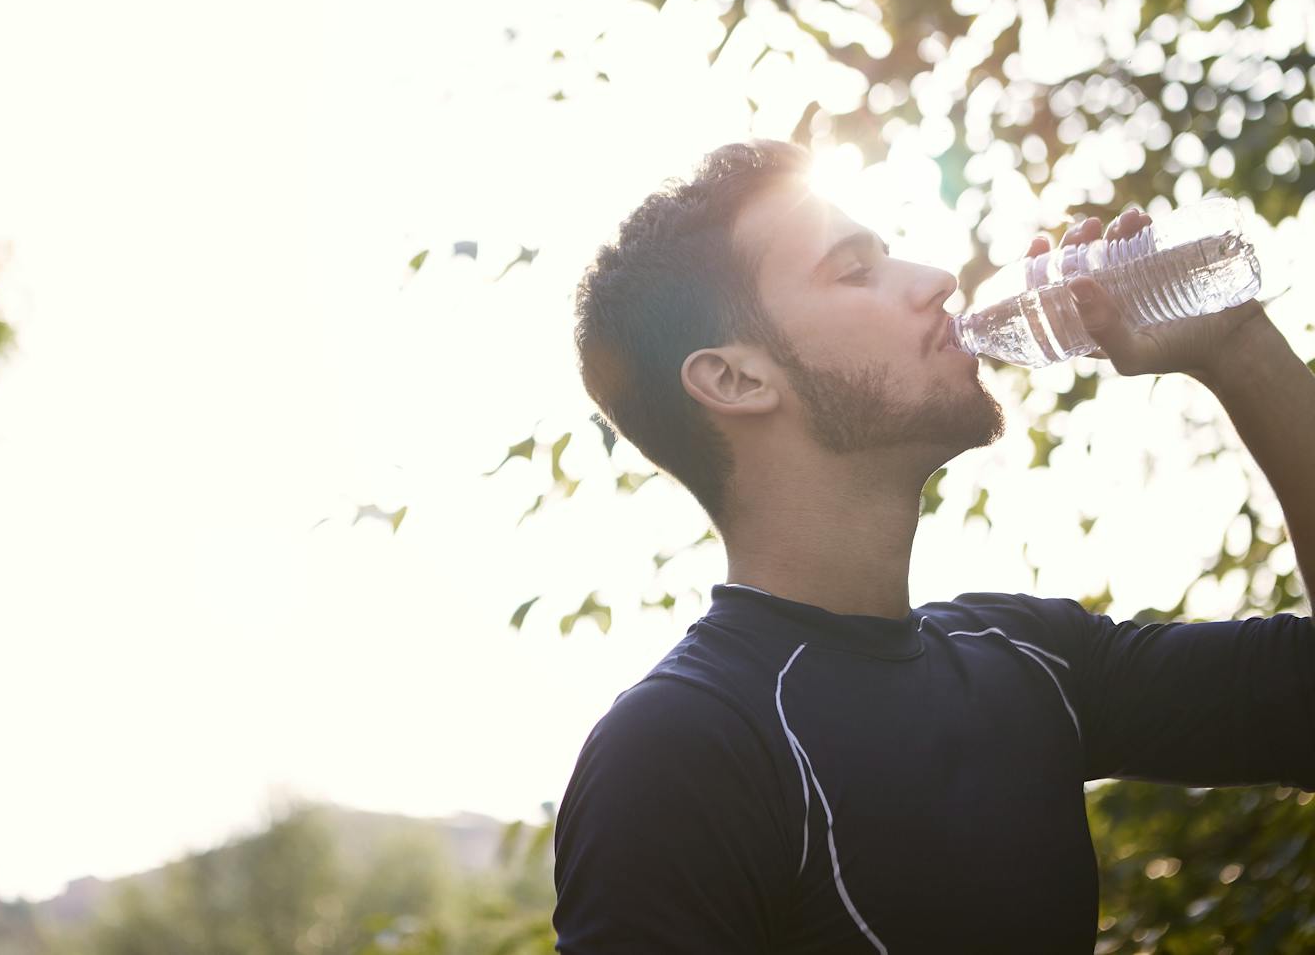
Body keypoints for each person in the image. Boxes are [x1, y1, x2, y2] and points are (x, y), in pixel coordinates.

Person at [553, 139, 1314, 953]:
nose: (938, 280)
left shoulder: (1028, 656)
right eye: (855, 271)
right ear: (736, 380)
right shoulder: (681, 749)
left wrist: (1238, 347)